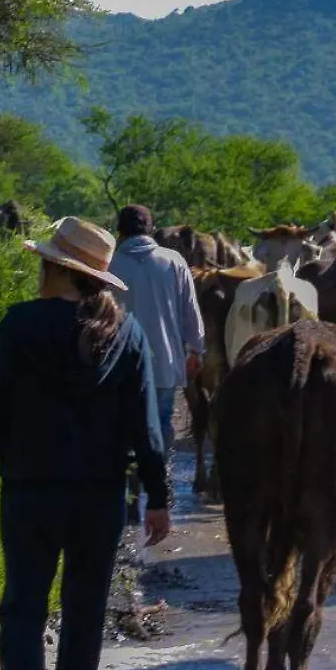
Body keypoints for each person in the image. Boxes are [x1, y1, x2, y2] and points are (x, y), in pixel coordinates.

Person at [0, 217, 172, 670]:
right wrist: (159, 496)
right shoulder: (128, 332)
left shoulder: (20, 325)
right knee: (86, 609)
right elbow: (147, 429)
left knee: (23, 605)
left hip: (29, 489)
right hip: (99, 498)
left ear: (53, 268)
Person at [107, 205, 203, 488]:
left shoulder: (108, 264)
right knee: (159, 425)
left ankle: (131, 493)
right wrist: (196, 349)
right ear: (151, 229)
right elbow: (190, 310)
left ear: (120, 231)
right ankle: (160, 485)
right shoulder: (173, 261)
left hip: (118, 364)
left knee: (122, 426)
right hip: (163, 360)